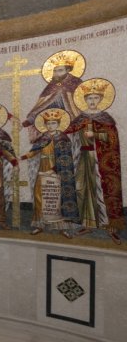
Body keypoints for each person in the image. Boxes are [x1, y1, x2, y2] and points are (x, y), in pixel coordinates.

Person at [67, 79, 125, 242]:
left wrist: (96, 135)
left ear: (100, 100)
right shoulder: (80, 118)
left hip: (101, 161)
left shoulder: (105, 118)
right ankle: (88, 222)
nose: (92, 101)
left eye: (95, 98)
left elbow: (112, 139)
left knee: (103, 189)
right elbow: (68, 133)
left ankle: (110, 226)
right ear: (84, 100)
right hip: (83, 159)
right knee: (84, 188)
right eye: (89, 98)